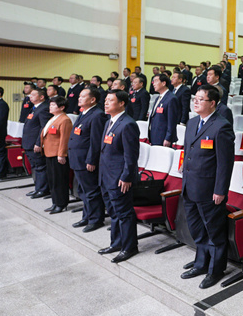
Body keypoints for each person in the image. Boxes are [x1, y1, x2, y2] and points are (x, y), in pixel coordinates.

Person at [180, 84, 236, 289]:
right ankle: (201, 263)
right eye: (194, 99)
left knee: (214, 233)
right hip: (190, 186)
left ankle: (216, 269)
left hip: (210, 189)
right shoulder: (192, 122)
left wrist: (220, 190)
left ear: (212, 103)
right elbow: (188, 152)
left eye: (200, 99)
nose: (195, 102)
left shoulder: (221, 126)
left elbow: (225, 163)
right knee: (197, 230)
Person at [97, 90, 140, 263]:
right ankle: (116, 243)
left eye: (110, 100)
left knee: (124, 214)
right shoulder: (110, 121)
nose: (106, 103)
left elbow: (131, 155)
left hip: (119, 178)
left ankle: (129, 247)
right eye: (106, 100)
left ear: (121, 103)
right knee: (114, 213)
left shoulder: (128, 124)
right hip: (106, 176)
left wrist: (127, 177)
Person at [68, 87, 107, 232]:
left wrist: (91, 160)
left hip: (86, 160)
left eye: (83, 96)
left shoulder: (97, 115)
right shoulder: (84, 112)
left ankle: (96, 219)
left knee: (91, 191)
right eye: (79, 96)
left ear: (93, 99)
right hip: (77, 158)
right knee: (83, 190)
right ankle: (87, 216)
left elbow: (96, 141)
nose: (79, 98)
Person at [41, 95, 73, 214]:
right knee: (52, 180)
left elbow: (65, 139)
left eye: (53, 105)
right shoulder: (53, 118)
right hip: (49, 153)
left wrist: (62, 154)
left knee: (60, 180)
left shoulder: (64, 120)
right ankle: (55, 202)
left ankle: (61, 203)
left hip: (57, 155)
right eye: (50, 104)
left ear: (62, 107)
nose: (50, 107)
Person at [23, 88, 52, 199]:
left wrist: (39, 143)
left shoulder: (44, 108)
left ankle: (43, 189)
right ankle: (38, 188)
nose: (30, 96)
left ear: (41, 97)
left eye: (33, 95)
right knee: (35, 166)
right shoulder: (35, 108)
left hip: (35, 143)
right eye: (30, 95)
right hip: (29, 142)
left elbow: (44, 127)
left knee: (40, 167)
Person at [148, 73, 180, 147]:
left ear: (163, 83)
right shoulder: (158, 98)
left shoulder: (171, 98)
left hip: (163, 137)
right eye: (153, 81)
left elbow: (172, 121)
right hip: (154, 134)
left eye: (156, 81)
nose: (153, 84)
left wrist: (168, 138)